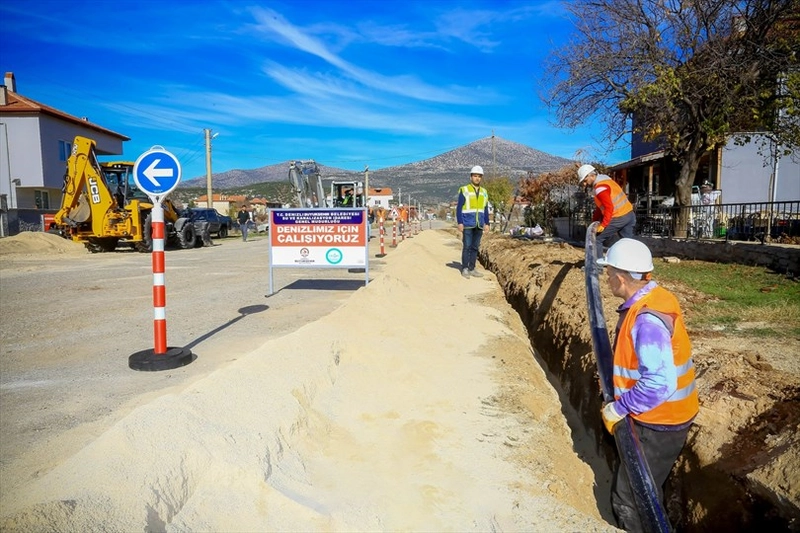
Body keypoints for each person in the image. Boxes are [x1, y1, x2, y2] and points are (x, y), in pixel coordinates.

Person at [596, 238, 699, 532]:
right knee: (650, 487)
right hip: (667, 416)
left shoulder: (647, 321)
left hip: (658, 422)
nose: (606, 278)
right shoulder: (656, 297)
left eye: (608, 273)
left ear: (620, 277)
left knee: (629, 501)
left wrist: (620, 407)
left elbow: (658, 383)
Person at [578, 164, 636, 254]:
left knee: (597, 240)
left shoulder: (600, 188)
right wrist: (594, 222)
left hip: (618, 217)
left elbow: (609, 207)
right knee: (628, 242)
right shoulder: (606, 180)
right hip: (629, 214)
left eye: (585, 180)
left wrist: (603, 225)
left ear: (592, 176)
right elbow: (600, 207)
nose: (585, 184)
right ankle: (632, 266)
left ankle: (597, 267)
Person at [456, 165, 490, 279]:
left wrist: (487, 223)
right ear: (471, 177)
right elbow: (459, 207)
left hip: (479, 223)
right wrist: (460, 222)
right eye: (475, 176)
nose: (477, 178)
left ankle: (472, 268)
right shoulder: (464, 190)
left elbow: (485, 209)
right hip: (467, 223)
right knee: (467, 246)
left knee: (475, 247)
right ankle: (465, 268)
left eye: (479, 176)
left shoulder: (484, 192)